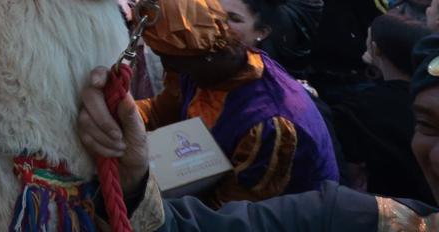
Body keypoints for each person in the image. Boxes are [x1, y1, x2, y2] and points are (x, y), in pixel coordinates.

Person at [72, 36, 439, 231]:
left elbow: (239, 201)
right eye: (427, 125)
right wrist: (134, 176)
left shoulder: (272, 122)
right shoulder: (351, 219)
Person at [136, 0, 338, 204]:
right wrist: (119, 114)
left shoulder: (269, 122)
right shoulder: (197, 70)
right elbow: (162, 111)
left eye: (232, 19)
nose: (169, 68)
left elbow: (233, 211)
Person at [328, 14, 432, 202]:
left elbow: (348, 170)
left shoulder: (359, 107)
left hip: (384, 210)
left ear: (375, 49)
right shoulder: (428, 97)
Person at [219, 0, 314, 78]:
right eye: (216, 12)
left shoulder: (267, 84)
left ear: (261, 32)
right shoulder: (197, 50)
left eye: (234, 19)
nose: (219, 23)